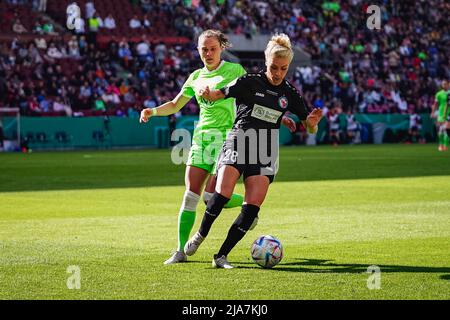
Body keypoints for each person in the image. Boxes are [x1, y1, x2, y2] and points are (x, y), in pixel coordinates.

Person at [139, 30, 297, 265]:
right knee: (190, 196)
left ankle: (249, 209)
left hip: (229, 139)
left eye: (213, 48)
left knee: (211, 196)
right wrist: (152, 111)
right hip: (202, 139)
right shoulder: (195, 77)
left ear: (222, 48)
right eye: (204, 49)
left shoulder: (235, 71)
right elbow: (174, 104)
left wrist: (281, 117)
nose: (209, 53)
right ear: (198, 50)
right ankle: (180, 250)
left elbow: (259, 96)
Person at [183, 33, 323, 268]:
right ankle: (200, 235)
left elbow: (309, 128)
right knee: (221, 194)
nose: (278, 73)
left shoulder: (290, 92)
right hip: (239, 139)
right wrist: (210, 94)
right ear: (266, 62)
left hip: (266, 148)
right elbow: (221, 94)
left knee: (251, 209)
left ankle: (221, 256)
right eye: (273, 67)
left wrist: (312, 122)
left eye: (283, 68)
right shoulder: (249, 81)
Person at [430, 80, 450, 151]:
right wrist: (432, 112)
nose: (444, 85)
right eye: (443, 84)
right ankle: (441, 145)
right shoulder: (438, 94)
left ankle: (445, 146)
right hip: (441, 113)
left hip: (449, 113)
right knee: (441, 130)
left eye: (445, 84)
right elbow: (435, 104)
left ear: (448, 84)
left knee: (446, 130)